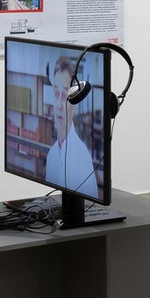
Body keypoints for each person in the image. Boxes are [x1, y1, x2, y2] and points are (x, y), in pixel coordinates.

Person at [45, 54, 99, 198]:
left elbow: (90, 207)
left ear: (74, 104)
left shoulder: (83, 159)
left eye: (65, 96)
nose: (60, 105)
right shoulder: (51, 155)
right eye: (56, 94)